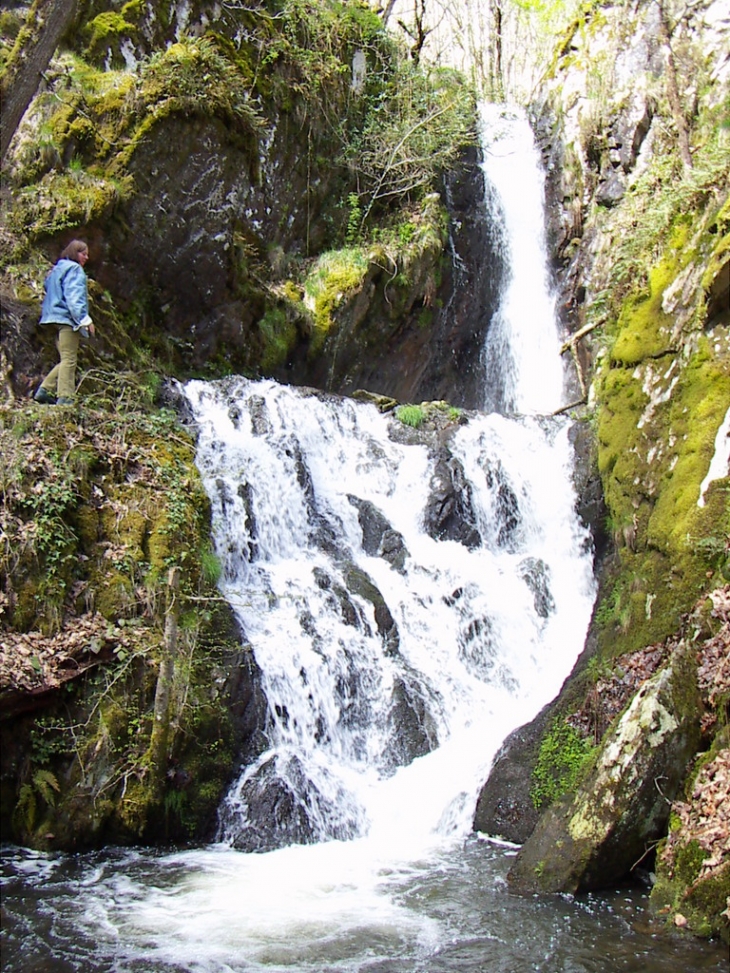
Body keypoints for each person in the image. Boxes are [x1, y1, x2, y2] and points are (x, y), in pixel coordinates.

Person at [35, 239, 95, 406]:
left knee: (65, 359)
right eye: (84, 254)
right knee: (70, 359)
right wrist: (85, 320)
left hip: (52, 317)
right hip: (66, 319)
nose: (86, 258)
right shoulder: (75, 269)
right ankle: (65, 397)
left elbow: (49, 288)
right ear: (75, 253)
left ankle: (45, 390)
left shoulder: (56, 270)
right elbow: (74, 297)